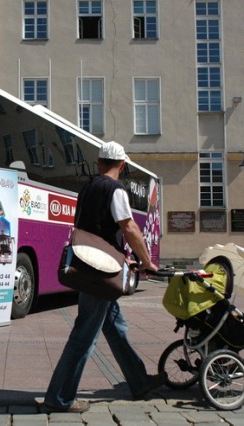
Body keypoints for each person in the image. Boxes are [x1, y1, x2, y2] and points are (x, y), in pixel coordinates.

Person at [43, 141, 163, 413]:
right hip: (101, 273)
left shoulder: (87, 189)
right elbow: (129, 227)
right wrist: (146, 261)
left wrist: (121, 257)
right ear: (122, 165)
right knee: (84, 335)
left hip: (90, 266)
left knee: (115, 328)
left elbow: (93, 231)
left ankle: (139, 382)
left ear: (99, 163)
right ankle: (59, 398)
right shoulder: (115, 189)